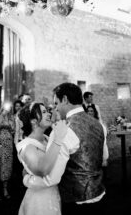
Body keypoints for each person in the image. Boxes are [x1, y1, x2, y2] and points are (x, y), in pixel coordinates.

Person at [23, 83, 106, 215]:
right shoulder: (99, 125)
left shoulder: (62, 130)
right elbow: (104, 157)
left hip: (76, 202)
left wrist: (27, 179)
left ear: (65, 99)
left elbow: (51, 178)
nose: (56, 108)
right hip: (100, 194)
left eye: (56, 103)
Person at [16, 102, 68, 215]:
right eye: (43, 112)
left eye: (47, 111)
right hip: (39, 200)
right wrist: (58, 140)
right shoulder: (27, 146)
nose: (48, 114)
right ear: (33, 121)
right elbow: (43, 170)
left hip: (53, 193)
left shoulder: (46, 138)